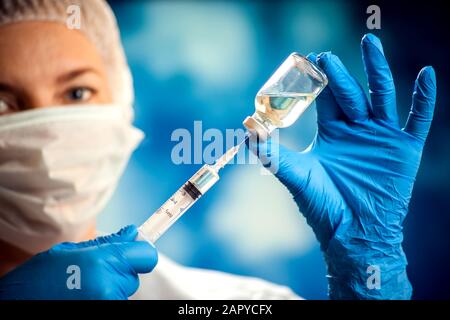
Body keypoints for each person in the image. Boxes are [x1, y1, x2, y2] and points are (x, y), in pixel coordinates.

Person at [0, 0, 436, 300]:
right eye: (3, 102)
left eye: (77, 93)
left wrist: (367, 276)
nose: (47, 128)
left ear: (121, 104)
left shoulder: (237, 300)